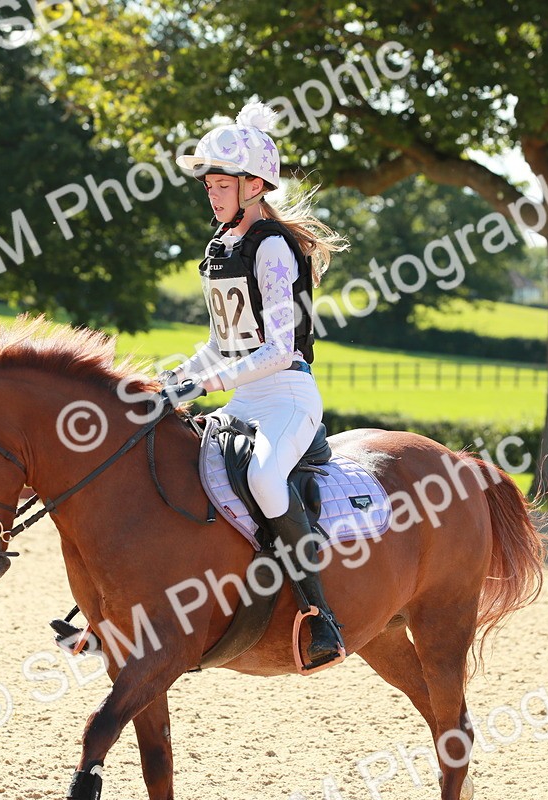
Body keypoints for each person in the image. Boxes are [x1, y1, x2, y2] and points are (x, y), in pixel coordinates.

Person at [164, 101, 350, 669]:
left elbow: (280, 348)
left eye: (222, 183)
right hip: (245, 398)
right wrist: (179, 377)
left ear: (253, 185)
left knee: (266, 477)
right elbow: (224, 340)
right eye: (209, 185)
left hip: (287, 396)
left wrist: (210, 380)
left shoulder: (271, 247)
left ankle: (321, 618)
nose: (213, 193)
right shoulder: (221, 249)